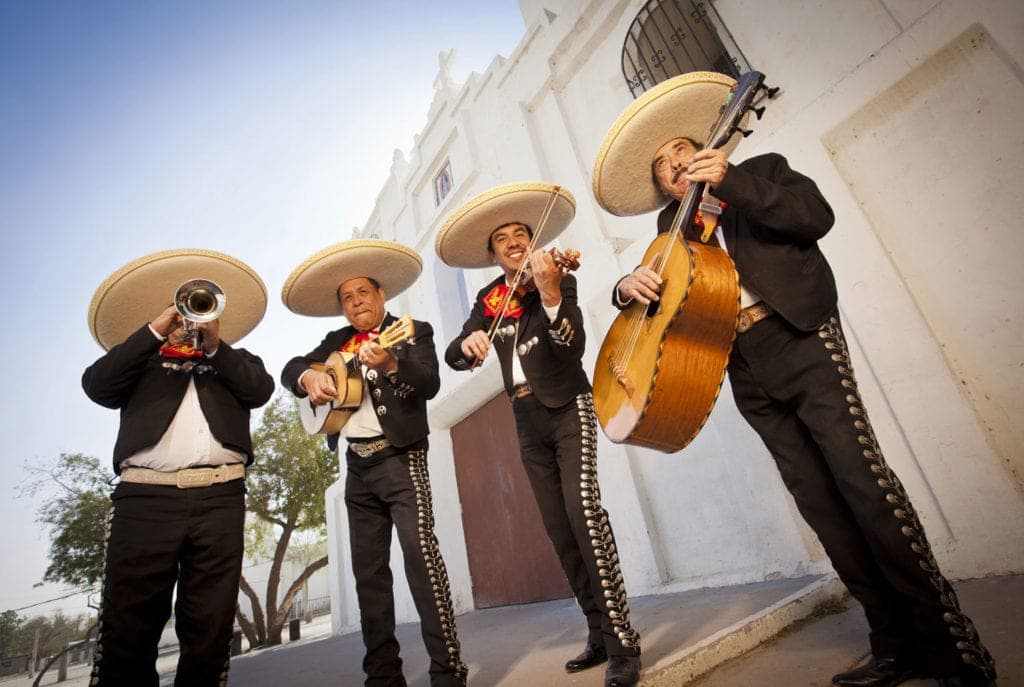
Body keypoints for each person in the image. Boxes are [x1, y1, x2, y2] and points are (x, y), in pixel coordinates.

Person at [593, 71, 996, 687]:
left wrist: (735, 182)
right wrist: (625, 288)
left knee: (865, 487)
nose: (674, 165)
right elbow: (670, 308)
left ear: (705, 149)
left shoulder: (763, 172)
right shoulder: (666, 233)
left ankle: (950, 645)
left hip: (801, 337)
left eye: (681, 151)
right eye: (662, 166)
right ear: (660, 187)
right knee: (822, 507)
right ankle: (892, 645)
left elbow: (816, 216)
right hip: (744, 366)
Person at [436, 183, 642, 687]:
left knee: (584, 514)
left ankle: (622, 642)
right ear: (492, 253)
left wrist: (549, 293)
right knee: (559, 529)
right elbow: (454, 356)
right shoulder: (490, 300)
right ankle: (597, 633)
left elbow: (569, 346)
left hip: (568, 407)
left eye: (521, 233)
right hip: (526, 418)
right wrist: (471, 341)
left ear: (532, 242)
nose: (513, 241)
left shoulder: (555, 276)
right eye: (502, 238)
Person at [82, 249, 275, 686]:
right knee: (127, 630)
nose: (192, 318)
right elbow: (97, 385)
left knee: (209, 629)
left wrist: (215, 346)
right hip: (145, 500)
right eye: (185, 311)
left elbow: (259, 390)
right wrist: (155, 329)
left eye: (200, 308)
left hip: (220, 498)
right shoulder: (141, 363)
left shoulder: (235, 361)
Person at [280, 239, 467, 687]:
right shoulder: (337, 342)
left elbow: (428, 383)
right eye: (347, 297)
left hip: (401, 459)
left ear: (381, 296)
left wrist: (389, 363)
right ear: (343, 309)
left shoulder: (412, 330)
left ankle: (448, 672)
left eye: (363, 291)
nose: (357, 300)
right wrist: (308, 378)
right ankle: (383, 677)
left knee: (421, 561)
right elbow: (289, 368)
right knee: (369, 576)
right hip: (357, 469)